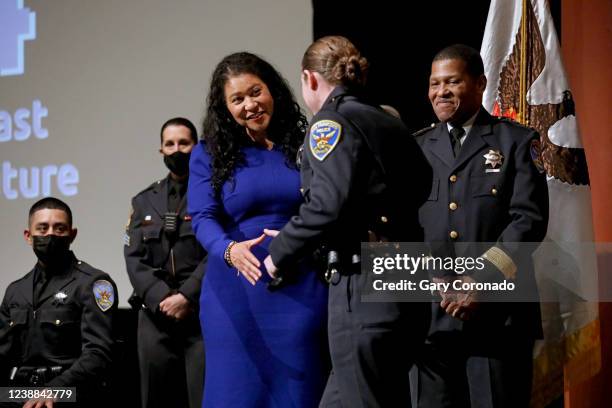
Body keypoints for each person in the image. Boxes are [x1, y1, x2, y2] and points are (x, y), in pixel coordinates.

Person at [263, 36, 433, 408]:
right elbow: (419, 186)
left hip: (364, 282)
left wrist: (280, 252)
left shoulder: (330, 122)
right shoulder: (387, 121)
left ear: (309, 79)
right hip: (407, 276)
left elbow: (328, 204)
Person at [187, 52, 329, 408]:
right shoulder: (208, 153)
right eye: (237, 99)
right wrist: (229, 250)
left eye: (255, 92)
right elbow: (203, 216)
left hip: (302, 289)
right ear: (225, 108)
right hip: (234, 293)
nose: (250, 105)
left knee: (299, 392)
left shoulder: (307, 143)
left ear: (273, 91)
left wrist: (303, 240)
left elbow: (328, 207)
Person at [412, 44, 549, 408]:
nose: (441, 91)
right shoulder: (417, 147)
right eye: (434, 83)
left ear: (480, 84)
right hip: (431, 315)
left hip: (497, 317)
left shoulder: (516, 141)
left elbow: (529, 221)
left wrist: (480, 281)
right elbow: (406, 225)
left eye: (452, 81)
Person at [0, 197, 117, 408]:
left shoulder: (94, 284)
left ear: (72, 235)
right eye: (42, 229)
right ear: (28, 236)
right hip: (20, 393)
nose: (51, 234)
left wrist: (56, 389)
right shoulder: (15, 291)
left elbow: (98, 354)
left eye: (59, 228)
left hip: (69, 392)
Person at [124, 117, 206, 408]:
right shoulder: (143, 201)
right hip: (155, 315)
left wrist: (187, 296)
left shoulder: (213, 193)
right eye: (169, 144)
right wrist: (162, 298)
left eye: (183, 143)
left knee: (204, 396)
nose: (176, 150)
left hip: (200, 311)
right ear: (160, 150)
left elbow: (217, 251)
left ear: (196, 147)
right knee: (157, 399)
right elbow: (133, 257)